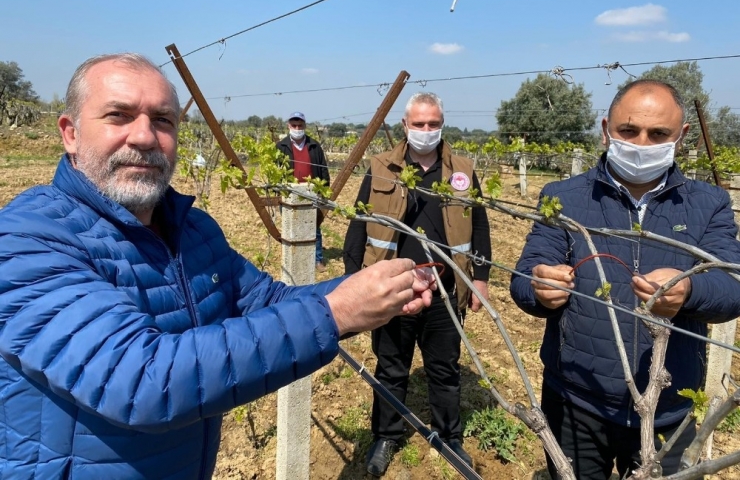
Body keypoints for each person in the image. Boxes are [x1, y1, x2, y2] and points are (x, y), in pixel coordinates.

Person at [0, 53, 437, 480]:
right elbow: (141, 381)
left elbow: (270, 301)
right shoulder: (29, 239)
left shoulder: (193, 230)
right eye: (118, 115)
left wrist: (373, 290)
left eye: (163, 120)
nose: (145, 137)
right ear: (70, 133)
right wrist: (338, 311)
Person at [510, 79, 740, 479]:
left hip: (670, 408)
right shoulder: (563, 196)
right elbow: (525, 274)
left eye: (658, 134)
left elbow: (732, 287)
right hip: (575, 402)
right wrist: (538, 285)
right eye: (628, 131)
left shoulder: (710, 203)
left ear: (682, 137)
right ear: (605, 130)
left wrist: (690, 290)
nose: (641, 143)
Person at [343, 92, 492, 476]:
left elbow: (479, 225)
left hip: (446, 288)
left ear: (442, 124)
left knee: (444, 367)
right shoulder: (381, 168)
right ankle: (387, 435)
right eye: (419, 124)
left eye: (434, 124)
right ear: (405, 126)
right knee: (391, 365)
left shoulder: (462, 170)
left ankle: (449, 437)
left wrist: (481, 279)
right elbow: (358, 226)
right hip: (395, 286)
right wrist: (353, 280)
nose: (427, 131)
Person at [276, 111, 330, 271]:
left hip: (311, 192)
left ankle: (317, 259)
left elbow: (323, 169)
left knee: (315, 227)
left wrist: (324, 189)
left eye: (300, 125)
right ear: (288, 126)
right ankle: (292, 258)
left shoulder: (314, 146)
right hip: (289, 193)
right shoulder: (281, 147)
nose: (297, 128)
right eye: (294, 125)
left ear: (305, 126)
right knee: (290, 226)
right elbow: (275, 171)